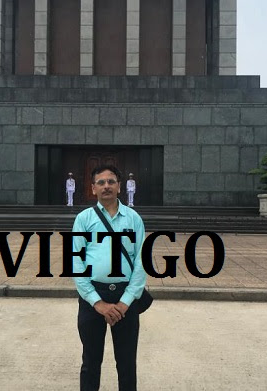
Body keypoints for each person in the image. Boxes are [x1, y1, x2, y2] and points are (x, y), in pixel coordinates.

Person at [72, 165, 147, 391]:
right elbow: (77, 263)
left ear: (119, 187)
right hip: (92, 297)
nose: (106, 186)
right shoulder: (84, 219)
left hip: (126, 297)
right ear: (93, 188)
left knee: (126, 363)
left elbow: (141, 261)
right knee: (91, 361)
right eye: (101, 182)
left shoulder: (133, 219)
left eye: (111, 181)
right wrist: (97, 302)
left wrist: (125, 302)